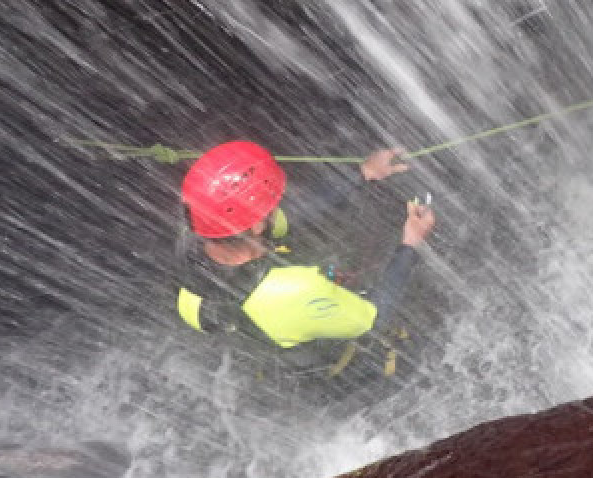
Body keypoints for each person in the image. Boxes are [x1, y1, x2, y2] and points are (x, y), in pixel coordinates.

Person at [175, 141, 435, 359]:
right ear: (256, 226)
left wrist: (363, 173)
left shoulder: (201, 233)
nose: (279, 204)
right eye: (272, 204)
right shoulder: (295, 289)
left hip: (243, 326)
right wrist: (410, 244)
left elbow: (297, 212)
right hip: (296, 351)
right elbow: (373, 318)